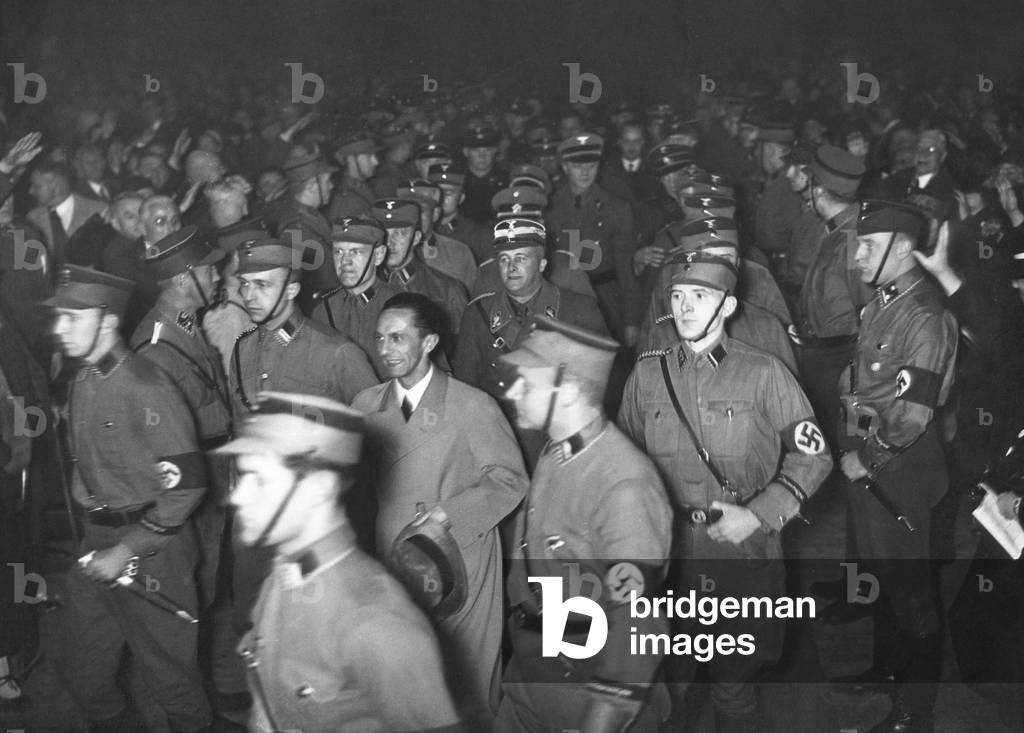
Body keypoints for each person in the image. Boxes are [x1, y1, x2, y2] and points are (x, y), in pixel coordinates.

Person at [618, 251, 832, 731]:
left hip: (737, 552)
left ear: (729, 306)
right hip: (666, 554)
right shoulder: (647, 376)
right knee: (664, 679)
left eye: (700, 296)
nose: (685, 307)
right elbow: (624, 464)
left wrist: (758, 514)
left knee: (732, 686)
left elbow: (813, 455)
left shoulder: (765, 372)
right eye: (676, 296)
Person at [45, 265, 235, 733]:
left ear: (108, 321)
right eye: (59, 317)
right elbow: (85, 457)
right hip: (97, 541)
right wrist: (87, 494)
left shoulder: (146, 386)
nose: (58, 328)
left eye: (72, 317)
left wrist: (126, 549)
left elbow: (189, 485)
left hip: (155, 555)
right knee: (84, 670)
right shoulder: (85, 379)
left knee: (172, 681)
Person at [215, 391, 467, 733]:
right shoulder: (286, 572)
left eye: (258, 479)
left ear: (319, 487)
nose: (237, 496)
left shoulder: (376, 623)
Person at [353, 292, 528, 729]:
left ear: (429, 343)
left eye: (397, 338)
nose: (385, 349)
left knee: (465, 684)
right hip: (392, 559)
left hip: (460, 560)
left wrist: (447, 515)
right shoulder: (364, 406)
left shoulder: (471, 405)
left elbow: (510, 480)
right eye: (380, 338)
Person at [495, 316, 672, 733]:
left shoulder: (625, 487)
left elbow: (637, 628)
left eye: (528, 381)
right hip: (532, 673)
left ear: (570, 391)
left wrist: (598, 724)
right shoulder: (556, 451)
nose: (514, 390)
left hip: (587, 691)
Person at [836, 200, 958, 733]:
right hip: (874, 463)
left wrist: (865, 458)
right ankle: (888, 667)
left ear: (903, 249)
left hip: (898, 468)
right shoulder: (885, 301)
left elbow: (911, 416)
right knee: (884, 576)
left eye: (868, 244)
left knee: (912, 594)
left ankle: (916, 712)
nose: (856, 255)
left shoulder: (926, 317)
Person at [131, 226, 233, 609]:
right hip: (194, 475)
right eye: (208, 271)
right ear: (181, 278)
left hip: (214, 465)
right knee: (197, 579)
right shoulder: (157, 347)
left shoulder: (185, 323)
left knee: (211, 568)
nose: (217, 276)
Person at [228, 237, 377, 420]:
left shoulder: (337, 352)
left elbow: (380, 428)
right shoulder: (243, 349)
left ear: (292, 290)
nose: (249, 296)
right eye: (244, 283)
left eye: (262, 285)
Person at [792, 145, 871, 455]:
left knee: (854, 449)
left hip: (844, 365)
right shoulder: (836, 231)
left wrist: (854, 383)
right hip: (826, 361)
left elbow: (870, 316)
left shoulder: (852, 238)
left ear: (818, 189)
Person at [545, 133, 640, 345]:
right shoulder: (549, 206)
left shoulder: (617, 208)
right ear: (565, 167)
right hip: (561, 298)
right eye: (578, 166)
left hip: (605, 300)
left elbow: (627, 269)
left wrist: (631, 320)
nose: (586, 172)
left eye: (591, 165)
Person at [311, 217, 402, 377]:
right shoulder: (324, 310)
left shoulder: (402, 307)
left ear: (379, 255)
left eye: (356, 252)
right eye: (338, 251)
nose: (345, 262)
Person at [27, 159, 107, 272]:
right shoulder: (32, 218)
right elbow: (28, 264)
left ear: (55, 186)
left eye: (37, 186)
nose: (31, 191)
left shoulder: (99, 211)